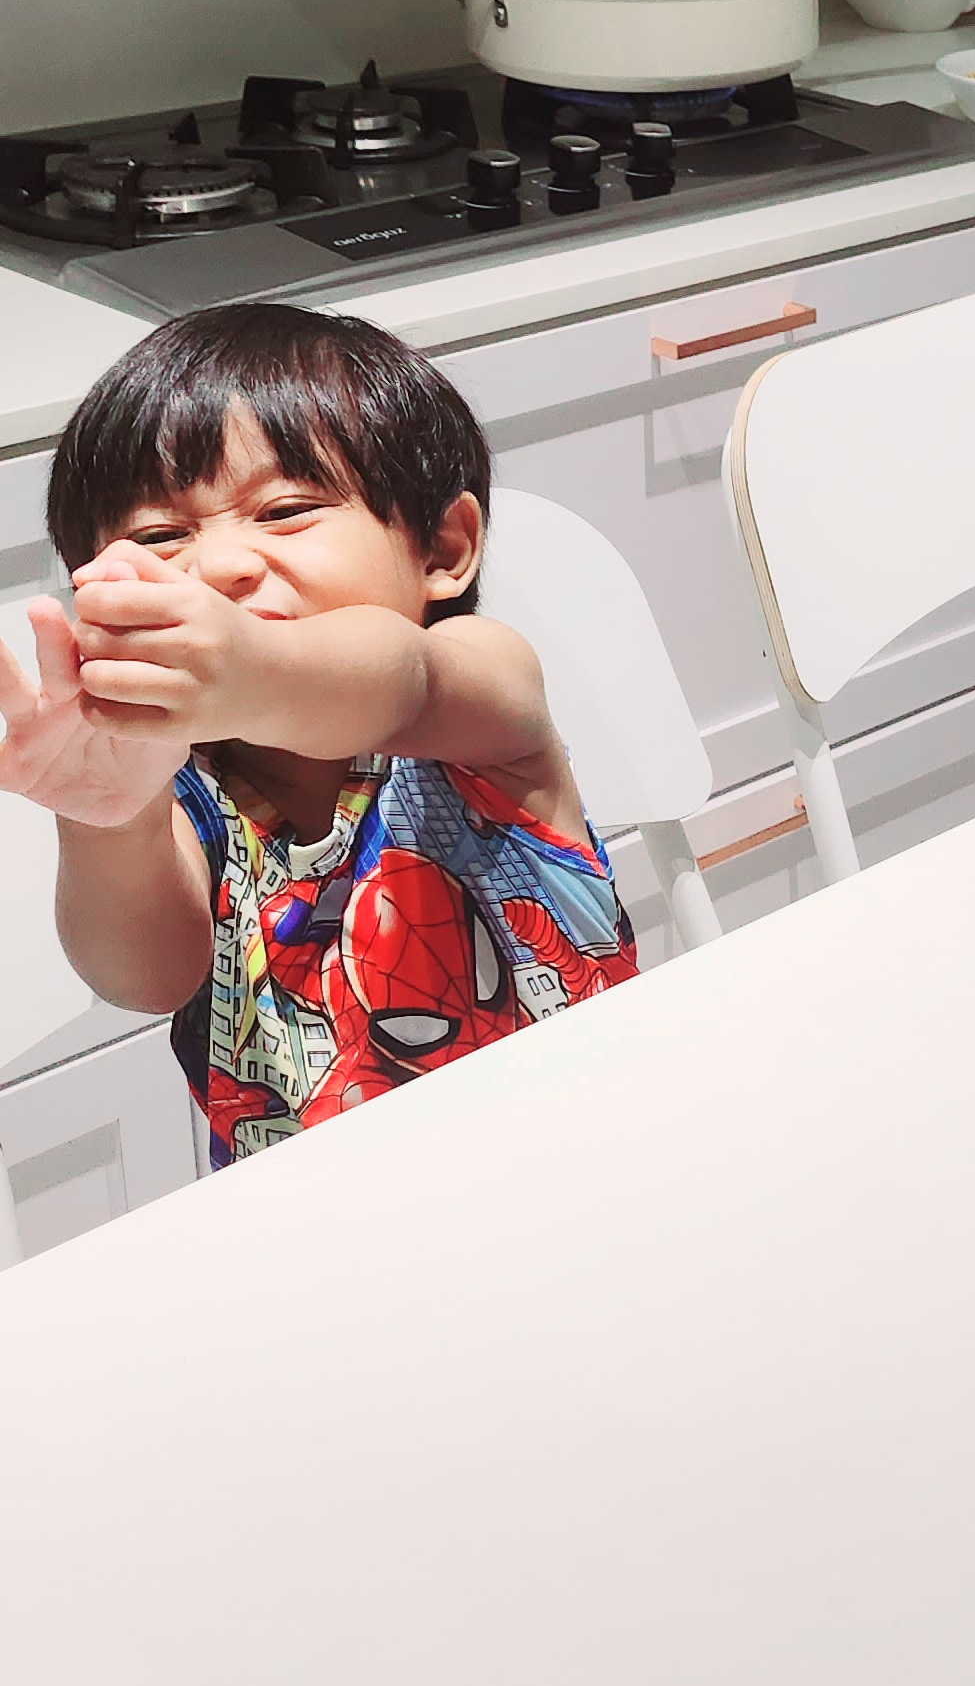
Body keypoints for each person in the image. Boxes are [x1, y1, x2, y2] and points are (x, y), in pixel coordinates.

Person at [0, 301, 636, 1164]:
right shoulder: (183, 789)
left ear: (443, 549)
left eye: (285, 510)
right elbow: (144, 977)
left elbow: (402, 679)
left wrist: (257, 666)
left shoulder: (476, 695)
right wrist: (108, 816)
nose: (218, 566)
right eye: (159, 536)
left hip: (593, 1167)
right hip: (320, 1246)